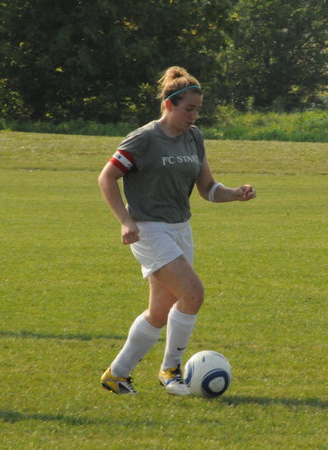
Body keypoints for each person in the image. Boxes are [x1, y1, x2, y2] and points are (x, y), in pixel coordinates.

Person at [98, 66, 256, 395]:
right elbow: (107, 177)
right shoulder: (144, 138)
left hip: (180, 229)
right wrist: (125, 221)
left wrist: (235, 194)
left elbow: (208, 188)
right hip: (148, 229)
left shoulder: (194, 137)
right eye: (189, 109)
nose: (194, 116)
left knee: (159, 312)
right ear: (170, 105)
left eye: (198, 110)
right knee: (193, 294)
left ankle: (117, 374)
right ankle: (171, 371)